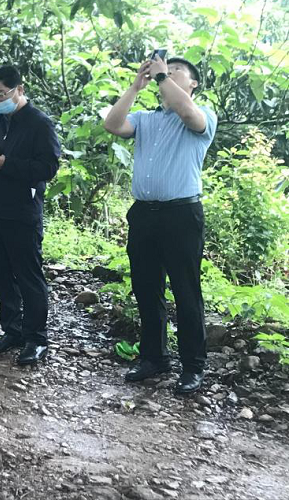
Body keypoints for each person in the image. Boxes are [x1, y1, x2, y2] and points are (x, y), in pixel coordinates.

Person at [103, 53, 217, 395]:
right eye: (166, 69)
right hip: (144, 214)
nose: (166, 72)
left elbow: (188, 113)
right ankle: (154, 357)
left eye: (177, 70)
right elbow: (113, 124)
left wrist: (163, 77)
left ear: (193, 83)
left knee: (185, 290)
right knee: (146, 287)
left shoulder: (202, 115)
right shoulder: (145, 118)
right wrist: (135, 87)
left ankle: (193, 366)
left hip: (181, 215)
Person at [0, 65, 60, 365]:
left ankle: (36, 338)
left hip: (23, 211)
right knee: (0, 273)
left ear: (19, 90)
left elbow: (47, 168)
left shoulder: (39, 124)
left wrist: (7, 164)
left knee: (28, 276)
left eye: (1, 95)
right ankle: (12, 329)